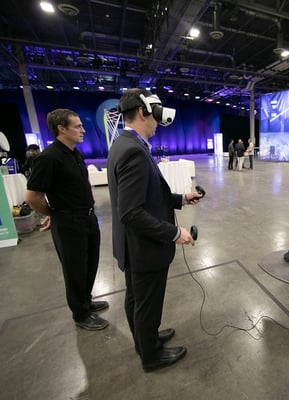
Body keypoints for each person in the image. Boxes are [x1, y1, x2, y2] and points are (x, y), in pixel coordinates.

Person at [107, 88, 203, 373]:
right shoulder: (134, 151)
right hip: (144, 248)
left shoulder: (123, 144)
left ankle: (144, 340)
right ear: (142, 112)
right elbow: (132, 213)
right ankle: (151, 355)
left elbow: (144, 196)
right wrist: (175, 233)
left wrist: (181, 199)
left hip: (132, 246)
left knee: (136, 299)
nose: (158, 123)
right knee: (146, 303)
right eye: (155, 115)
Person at [25, 109, 109, 331]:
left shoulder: (75, 153)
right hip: (69, 223)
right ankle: (80, 314)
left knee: (90, 264)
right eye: (77, 126)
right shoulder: (48, 158)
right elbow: (32, 197)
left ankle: (86, 300)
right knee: (75, 270)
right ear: (61, 128)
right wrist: (55, 214)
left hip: (89, 219)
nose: (83, 130)